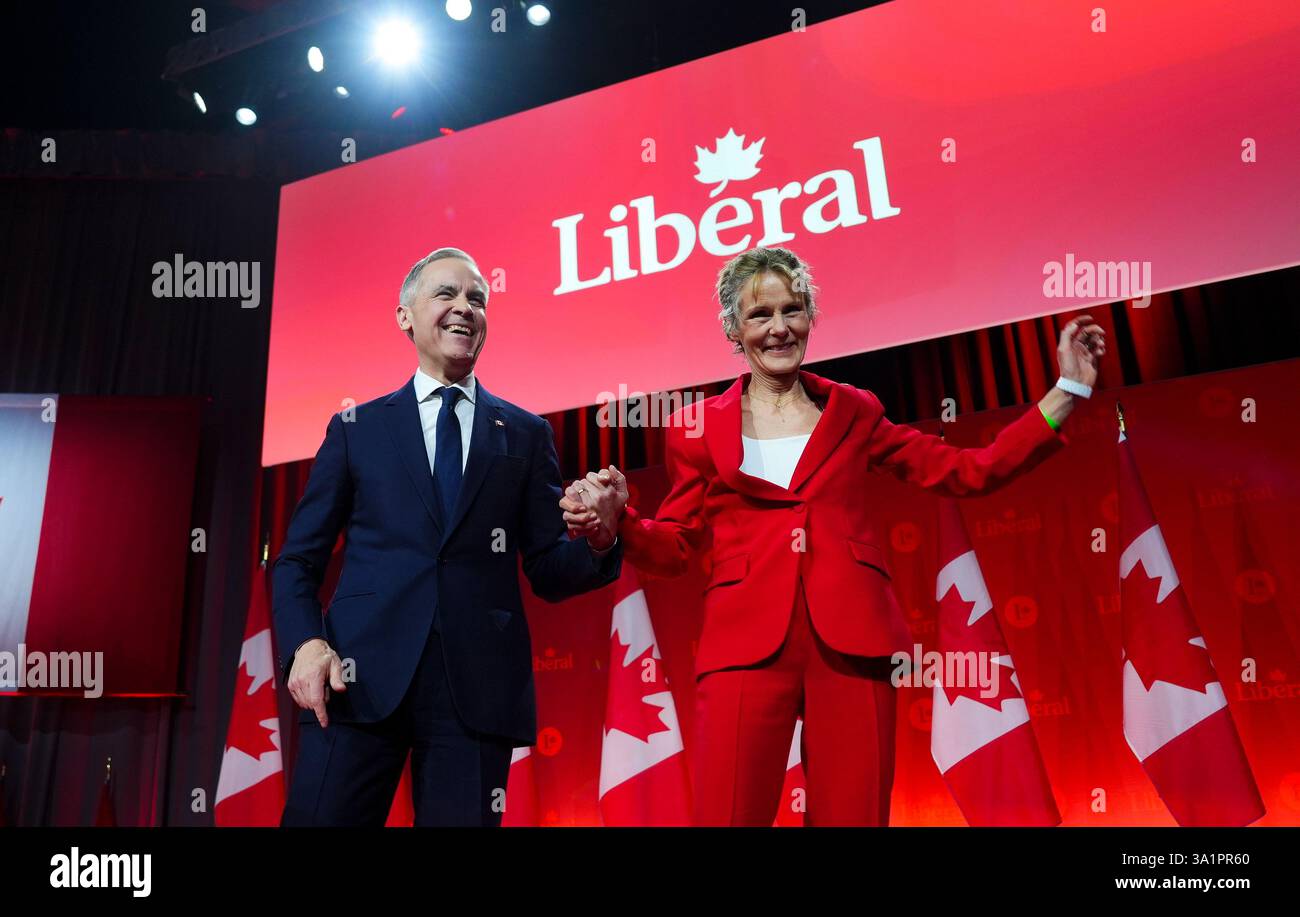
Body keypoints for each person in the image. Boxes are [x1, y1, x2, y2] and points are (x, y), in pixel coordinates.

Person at [562, 245, 1105, 826]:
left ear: (810, 317)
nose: (778, 329)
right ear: (732, 329)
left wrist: (1065, 393)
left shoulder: (855, 410)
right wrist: (615, 526)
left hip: (854, 643)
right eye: (759, 315)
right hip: (743, 649)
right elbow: (674, 548)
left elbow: (967, 472)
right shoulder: (694, 428)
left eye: (792, 311)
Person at [273, 247, 622, 826]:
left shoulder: (526, 434)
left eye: (477, 299)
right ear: (405, 317)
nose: (465, 308)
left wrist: (600, 540)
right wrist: (305, 645)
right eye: (447, 294)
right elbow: (296, 562)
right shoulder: (358, 429)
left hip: (475, 694)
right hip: (355, 681)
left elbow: (547, 569)